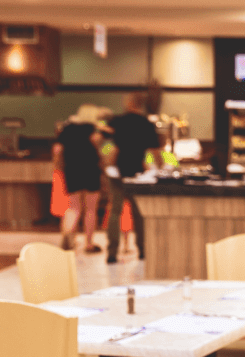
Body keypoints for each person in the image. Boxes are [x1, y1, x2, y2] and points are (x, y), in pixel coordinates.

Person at [105, 92, 164, 264]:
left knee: (115, 212)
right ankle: (143, 250)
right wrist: (161, 169)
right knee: (139, 213)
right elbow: (156, 151)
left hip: (118, 172)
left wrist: (106, 162)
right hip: (138, 173)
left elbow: (106, 142)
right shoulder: (146, 123)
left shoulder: (117, 121)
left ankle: (112, 252)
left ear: (130, 103)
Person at [54, 113, 106, 253]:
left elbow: (57, 150)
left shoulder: (66, 130)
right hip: (90, 169)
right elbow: (97, 143)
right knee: (91, 209)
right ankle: (89, 244)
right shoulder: (91, 128)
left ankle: (67, 236)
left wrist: (58, 166)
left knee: (73, 207)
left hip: (72, 170)